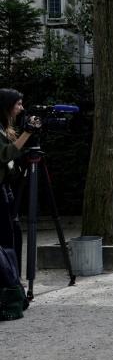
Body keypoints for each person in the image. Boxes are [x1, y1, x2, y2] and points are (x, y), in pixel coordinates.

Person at [0, 89, 40, 272]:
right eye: (18, 104)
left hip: (6, 184)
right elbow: (6, 153)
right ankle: (9, 279)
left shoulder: (5, 125)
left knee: (15, 231)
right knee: (7, 233)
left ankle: (14, 275)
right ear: (7, 105)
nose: (21, 108)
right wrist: (27, 133)